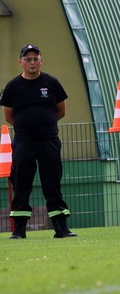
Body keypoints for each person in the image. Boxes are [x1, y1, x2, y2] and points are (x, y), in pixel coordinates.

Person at [3, 45, 75, 238]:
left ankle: (61, 228)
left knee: (52, 183)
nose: (32, 63)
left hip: (48, 140)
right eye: (28, 59)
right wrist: (27, 128)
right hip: (23, 142)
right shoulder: (13, 86)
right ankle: (19, 231)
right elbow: (9, 116)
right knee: (21, 184)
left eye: (35, 59)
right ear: (21, 62)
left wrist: (44, 125)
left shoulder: (52, 83)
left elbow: (61, 110)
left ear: (41, 60)